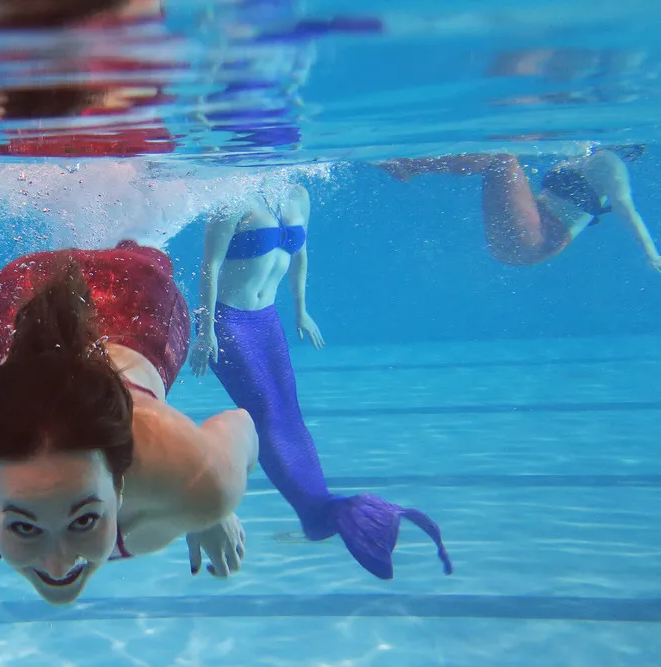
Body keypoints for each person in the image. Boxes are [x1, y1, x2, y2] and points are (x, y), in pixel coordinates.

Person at [0, 241, 259, 605]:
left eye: (84, 520)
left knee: (143, 247)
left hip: (54, 295)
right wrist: (200, 504)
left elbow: (242, 426)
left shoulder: (200, 482)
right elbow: (239, 424)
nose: (58, 563)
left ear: (120, 484)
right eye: (23, 526)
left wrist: (207, 505)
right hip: (115, 305)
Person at [188, 183, 452, 580]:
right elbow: (209, 265)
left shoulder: (296, 194)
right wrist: (204, 330)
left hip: (268, 320)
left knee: (290, 415)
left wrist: (301, 310)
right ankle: (315, 513)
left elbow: (301, 254)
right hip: (231, 324)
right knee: (269, 416)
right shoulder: (232, 196)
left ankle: (322, 508)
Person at [379, 146, 661, 271]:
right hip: (523, 243)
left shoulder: (610, 162)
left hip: (533, 241)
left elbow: (626, 208)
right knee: (499, 161)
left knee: (500, 159)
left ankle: (410, 166)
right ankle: (409, 166)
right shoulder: (584, 153)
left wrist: (652, 255)